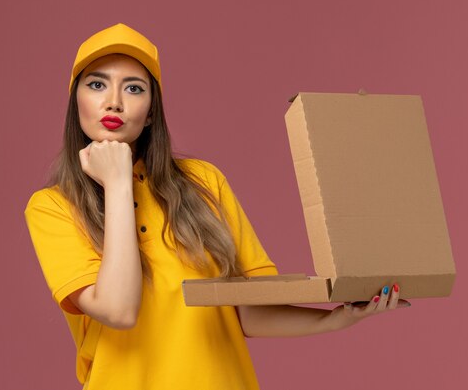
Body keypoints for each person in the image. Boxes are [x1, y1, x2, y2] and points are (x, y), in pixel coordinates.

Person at [23, 23, 410, 390]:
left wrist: (340, 317)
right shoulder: (53, 207)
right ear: (76, 101)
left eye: (135, 88)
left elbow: (250, 312)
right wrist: (119, 184)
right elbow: (119, 311)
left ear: (152, 111)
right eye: (96, 84)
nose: (114, 101)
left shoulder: (204, 182)